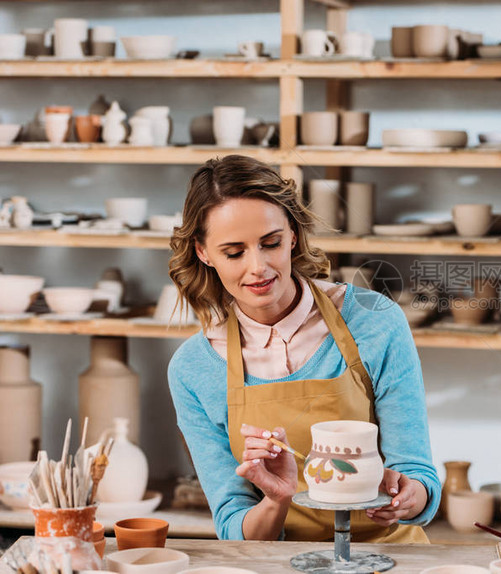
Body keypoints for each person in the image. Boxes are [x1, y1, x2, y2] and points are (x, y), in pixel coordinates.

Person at [166, 154, 439, 542]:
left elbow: (417, 471)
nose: (258, 266)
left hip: (389, 556)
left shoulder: (375, 320)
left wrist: (411, 495)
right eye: (234, 252)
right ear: (203, 252)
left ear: (293, 234)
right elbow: (233, 525)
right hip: (281, 564)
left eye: (270, 243)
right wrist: (275, 501)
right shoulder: (194, 369)